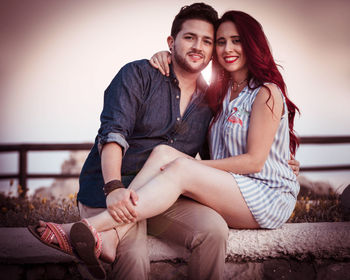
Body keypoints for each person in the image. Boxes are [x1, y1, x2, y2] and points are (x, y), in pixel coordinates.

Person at [28, 4, 300, 280]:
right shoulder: (143, 76)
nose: (202, 47)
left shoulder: (212, 101)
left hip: (167, 193)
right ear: (172, 42)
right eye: (191, 38)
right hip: (112, 187)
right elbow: (113, 133)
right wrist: (114, 188)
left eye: (208, 40)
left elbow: (227, 160)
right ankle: (103, 231)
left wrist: (277, 164)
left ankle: (91, 228)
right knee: (132, 259)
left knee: (213, 230)